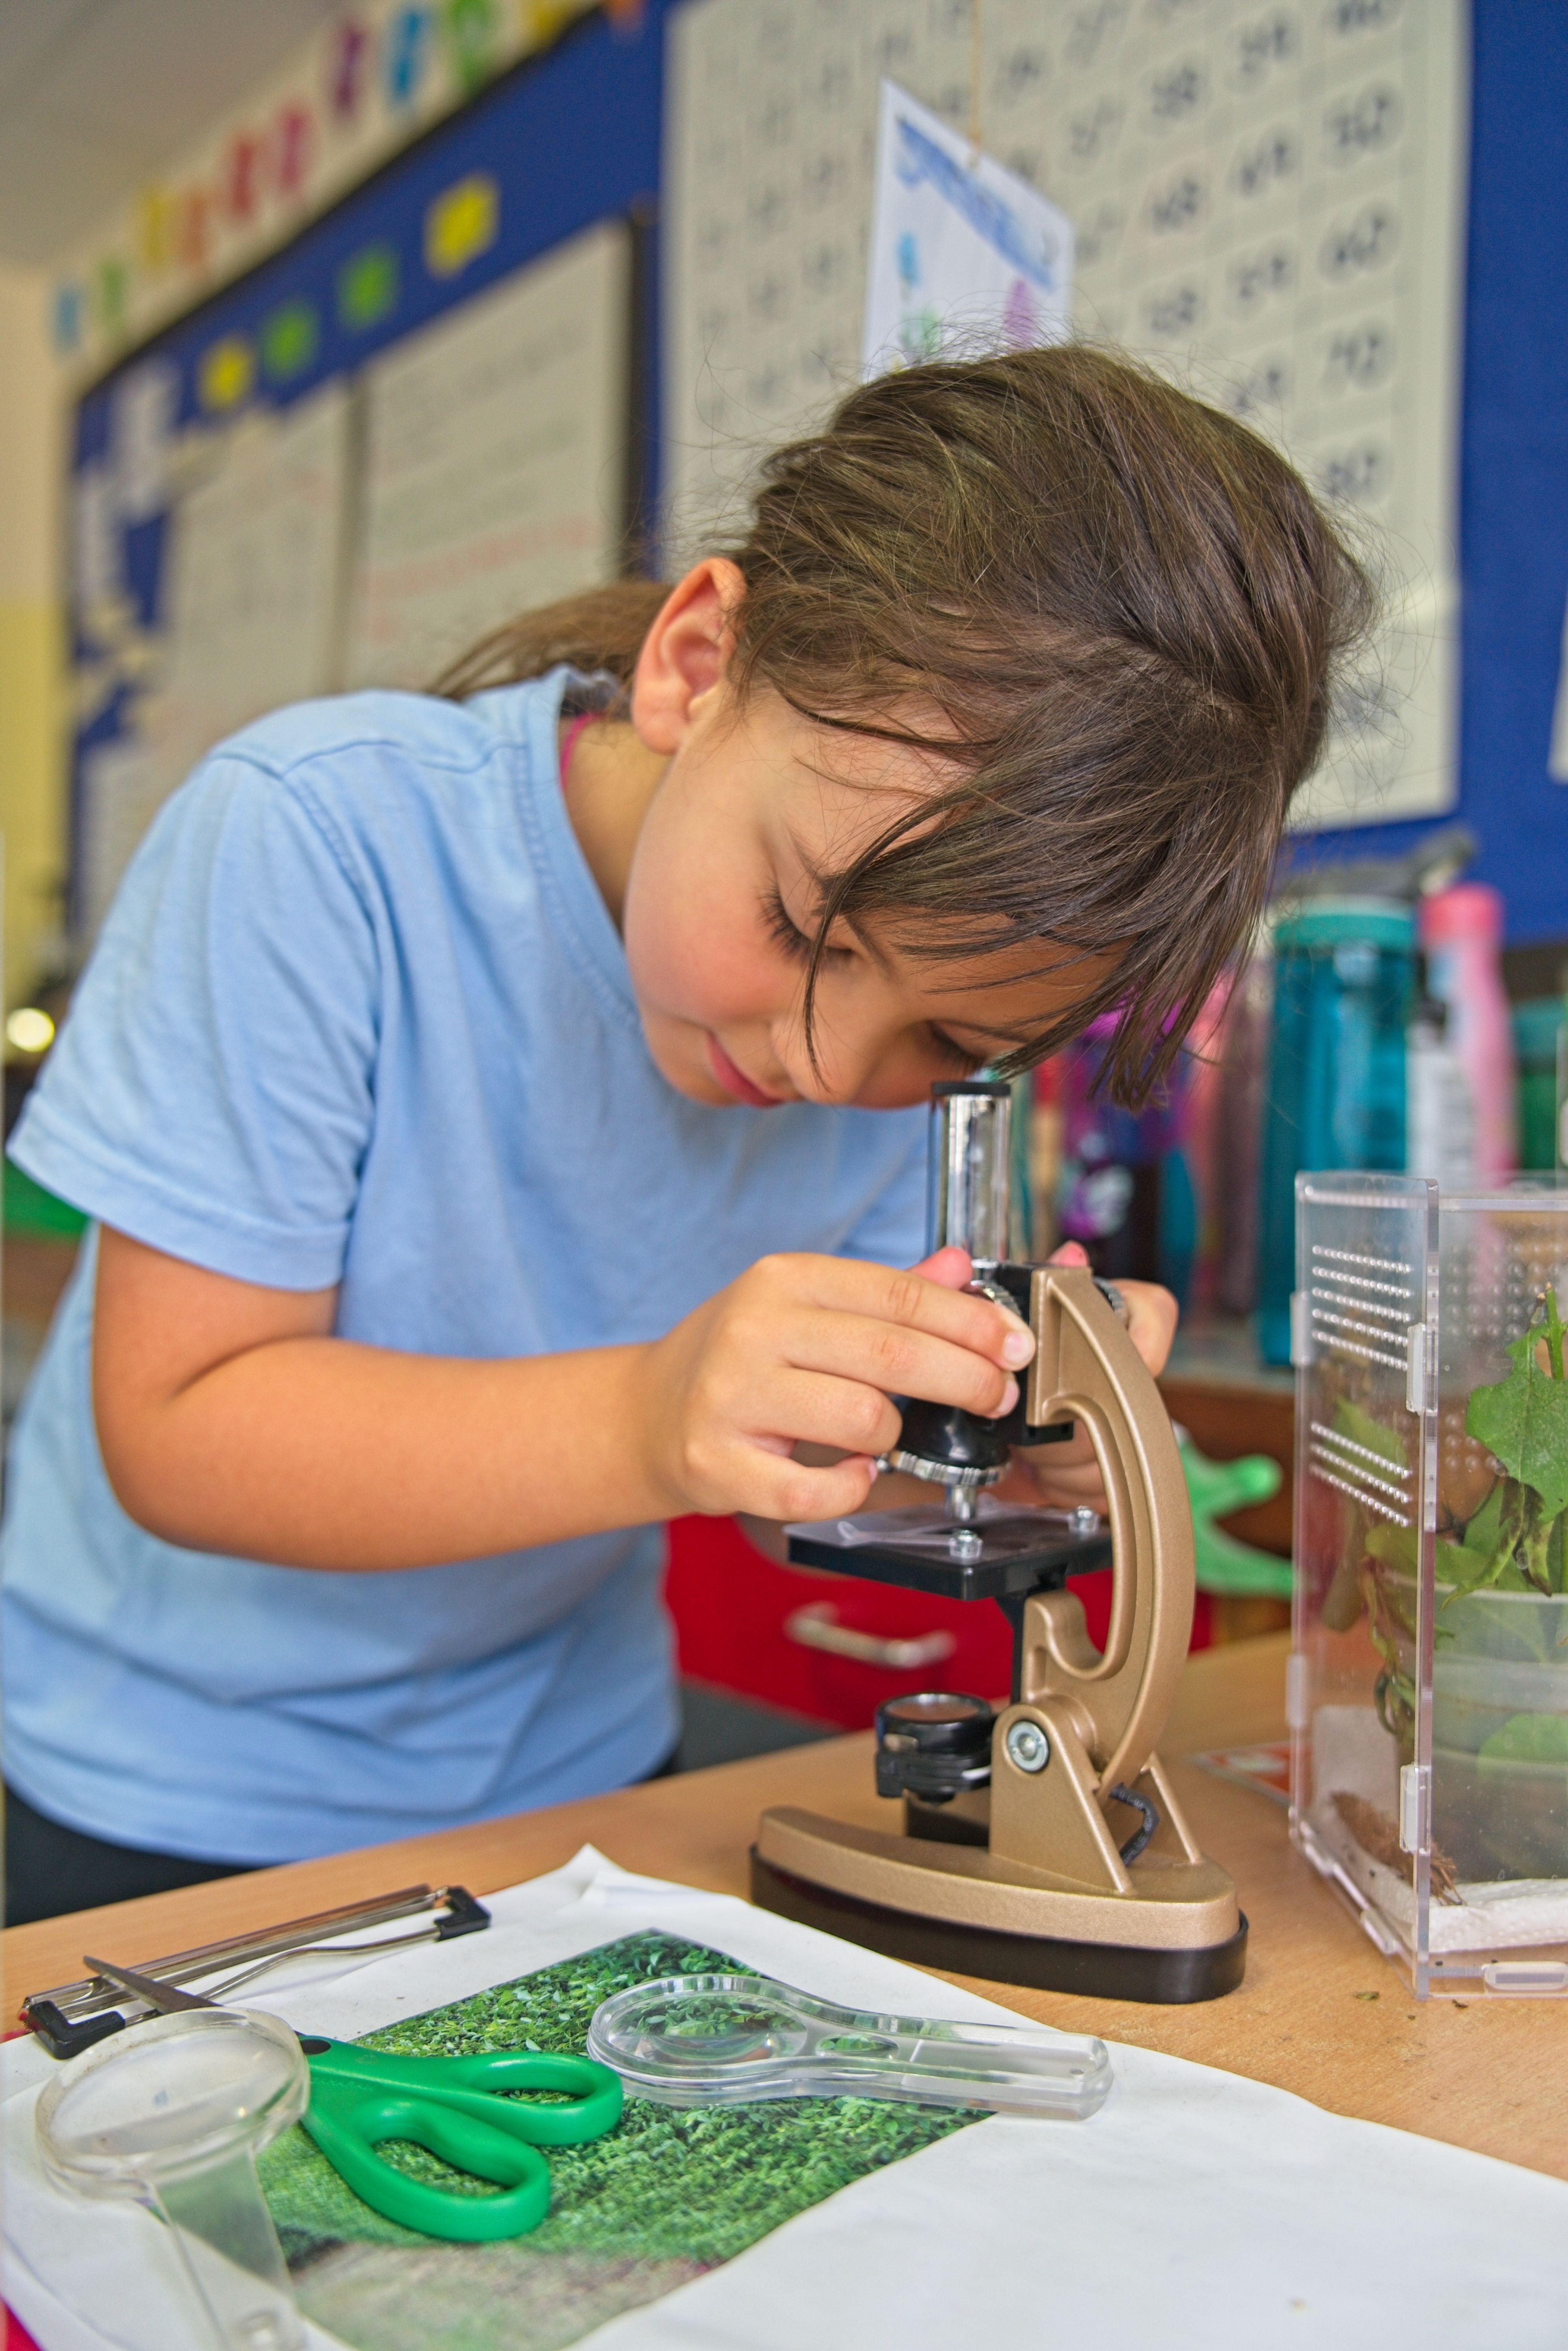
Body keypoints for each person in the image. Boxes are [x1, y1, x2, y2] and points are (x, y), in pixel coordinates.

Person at [1, 347, 1372, 1923]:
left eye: (948, 1043)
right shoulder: (317, 842)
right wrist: (653, 1416)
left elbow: (805, 1473)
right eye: (802, 926)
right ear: (695, 662)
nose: (821, 1062)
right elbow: (179, 1427)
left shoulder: (869, 1068)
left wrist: (1017, 1437)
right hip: (168, 1796)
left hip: (578, 1774)